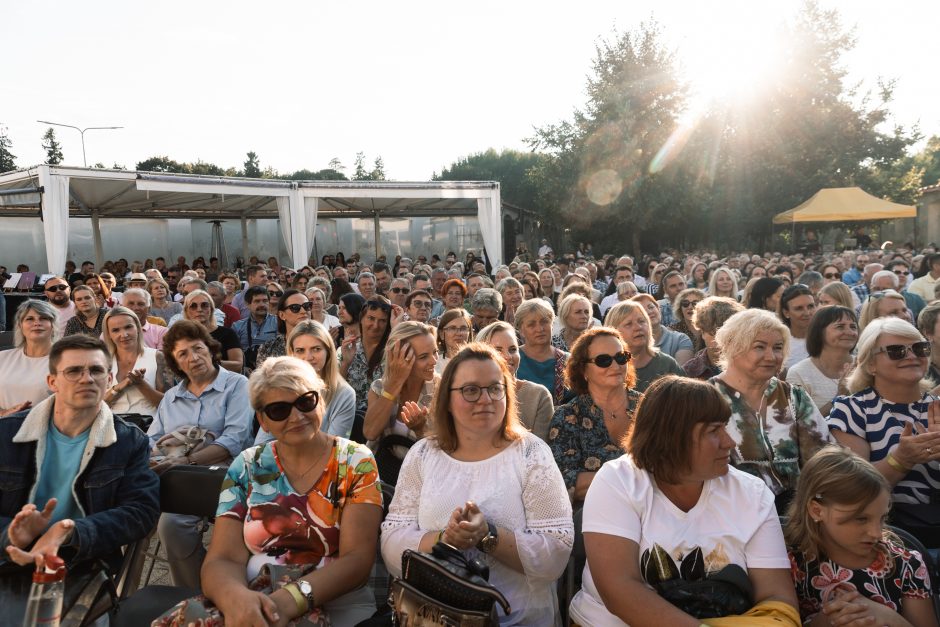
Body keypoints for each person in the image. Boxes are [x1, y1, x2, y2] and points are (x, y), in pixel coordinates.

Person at [569, 375, 799, 627]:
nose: (729, 442)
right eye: (714, 431)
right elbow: (619, 591)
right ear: (671, 437)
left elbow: (777, 600)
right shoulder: (619, 481)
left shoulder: (751, 493)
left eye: (725, 427)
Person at [381, 343, 573, 626]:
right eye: (471, 390)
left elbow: (555, 552)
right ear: (446, 398)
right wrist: (443, 540)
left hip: (517, 619)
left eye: (495, 388)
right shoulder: (422, 454)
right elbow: (391, 542)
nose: (486, 399)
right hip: (435, 616)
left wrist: (488, 536)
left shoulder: (531, 453)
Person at [189, 356, 382, 626]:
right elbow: (223, 558)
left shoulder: (355, 461)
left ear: (321, 401)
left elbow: (357, 560)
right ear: (262, 420)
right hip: (255, 600)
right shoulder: (247, 465)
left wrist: (288, 601)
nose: (297, 416)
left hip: (339, 604)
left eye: (306, 402)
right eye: (279, 410)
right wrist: (236, 600)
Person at [0, 335, 159, 579]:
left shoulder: (129, 441)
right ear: (52, 381)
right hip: (8, 557)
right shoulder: (7, 433)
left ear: (108, 380)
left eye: (96, 370)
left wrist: (71, 531)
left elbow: (140, 511)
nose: (86, 379)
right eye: (73, 371)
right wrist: (10, 533)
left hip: (84, 563)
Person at [148, 320, 253, 588]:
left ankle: (227, 582)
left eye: (198, 348)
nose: (193, 358)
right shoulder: (171, 396)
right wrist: (157, 458)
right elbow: (153, 439)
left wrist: (188, 461)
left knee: (232, 530)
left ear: (210, 349)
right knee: (171, 525)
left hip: (227, 473)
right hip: (177, 475)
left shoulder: (237, 384)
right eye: (183, 354)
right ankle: (191, 590)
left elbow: (235, 438)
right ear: (176, 364)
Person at [785, 447, 937, 627]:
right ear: (817, 510)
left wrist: (888, 616)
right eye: (860, 519)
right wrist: (826, 620)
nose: (876, 533)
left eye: (882, 518)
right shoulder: (790, 566)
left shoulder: (907, 565)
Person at [710, 308, 831, 510]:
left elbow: (823, 458)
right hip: (733, 510)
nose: (771, 356)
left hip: (798, 511)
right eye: (760, 347)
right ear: (732, 347)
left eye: (778, 348)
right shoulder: (707, 399)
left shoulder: (794, 397)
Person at [827, 318, 940, 533]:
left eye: (920, 348)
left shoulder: (937, 408)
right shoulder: (852, 410)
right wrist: (901, 460)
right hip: (887, 535)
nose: (912, 356)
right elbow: (852, 487)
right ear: (870, 363)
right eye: (896, 351)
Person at [548, 327, 641, 501]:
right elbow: (563, 481)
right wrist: (630, 479)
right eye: (603, 360)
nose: (615, 365)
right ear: (583, 370)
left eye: (621, 357)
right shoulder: (568, 417)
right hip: (594, 513)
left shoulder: (649, 408)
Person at [256, 321, 356, 442]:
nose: (308, 357)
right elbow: (262, 444)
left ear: (328, 352)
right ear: (291, 354)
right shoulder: (280, 388)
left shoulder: (343, 394)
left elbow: (335, 449)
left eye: (316, 349)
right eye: (300, 351)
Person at [363, 321, 438, 450]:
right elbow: (370, 433)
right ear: (398, 357)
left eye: (435, 352)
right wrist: (395, 383)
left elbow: (442, 450)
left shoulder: (442, 389)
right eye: (423, 356)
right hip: (381, 467)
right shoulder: (379, 387)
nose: (434, 360)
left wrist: (421, 429)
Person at [476, 321, 554, 442]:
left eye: (513, 349)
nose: (508, 356)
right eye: (498, 350)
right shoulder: (469, 395)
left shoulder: (538, 395)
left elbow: (540, 450)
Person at [786, 306, 858, 413]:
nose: (849, 332)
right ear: (819, 332)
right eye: (840, 327)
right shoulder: (799, 374)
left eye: (853, 327)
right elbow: (802, 425)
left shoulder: (865, 366)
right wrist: (840, 396)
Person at [605, 300, 683, 392]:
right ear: (614, 331)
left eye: (642, 321)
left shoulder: (667, 365)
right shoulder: (604, 366)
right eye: (628, 324)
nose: (638, 327)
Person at [101, 306, 166, 416]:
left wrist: (141, 384)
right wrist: (118, 387)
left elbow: (167, 404)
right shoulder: (102, 361)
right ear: (108, 335)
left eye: (128, 327)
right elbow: (96, 406)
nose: (124, 335)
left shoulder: (157, 357)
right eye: (116, 330)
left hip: (149, 427)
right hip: (112, 426)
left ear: (138, 327)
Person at [0, 300, 59, 415]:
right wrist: (4, 413)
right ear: (20, 326)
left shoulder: (66, 360)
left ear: (53, 325)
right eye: (29, 319)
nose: (37, 323)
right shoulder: (2, 357)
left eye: (43, 318)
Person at [341, 296, 392, 411]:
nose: (375, 325)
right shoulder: (345, 349)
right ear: (361, 318)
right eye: (371, 318)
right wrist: (346, 363)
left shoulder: (392, 352)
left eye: (382, 321)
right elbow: (335, 389)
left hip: (380, 420)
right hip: (349, 419)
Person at [515, 298, 570, 404]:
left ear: (552, 324)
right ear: (521, 330)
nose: (540, 329)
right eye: (531, 324)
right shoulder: (512, 359)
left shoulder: (569, 361)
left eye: (544, 322)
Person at [683, 296, 745, 380]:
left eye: (727, 334)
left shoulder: (750, 366)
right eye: (714, 333)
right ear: (702, 332)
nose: (720, 340)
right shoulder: (689, 371)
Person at [183, 289, 244, 373]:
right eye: (193, 306)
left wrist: (209, 363)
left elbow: (238, 365)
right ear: (187, 311)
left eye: (204, 305)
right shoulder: (182, 336)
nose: (199, 309)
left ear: (211, 309)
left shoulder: (228, 334)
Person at [633, 293, 694, 365]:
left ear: (658, 309)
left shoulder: (680, 339)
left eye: (651, 307)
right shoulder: (633, 344)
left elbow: (681, 373)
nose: (649, 312)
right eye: (642, 310)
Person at [778, 284, 817, 368]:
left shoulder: (827, 337)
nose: (807, 313)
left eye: (811, 306)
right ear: (786, 313)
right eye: (799, 308)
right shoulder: (779, 341)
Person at [232, 285, 278, 353]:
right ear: (247, 304)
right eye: (257, 301)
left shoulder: (278, 322)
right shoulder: (237, 326)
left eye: (265, 301)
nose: (262, 304)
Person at [436, 308, 473, 374]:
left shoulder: (477, 362)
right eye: (452, 328)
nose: (459, 333)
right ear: (441, 334)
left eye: (463, 328)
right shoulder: (434, 364)